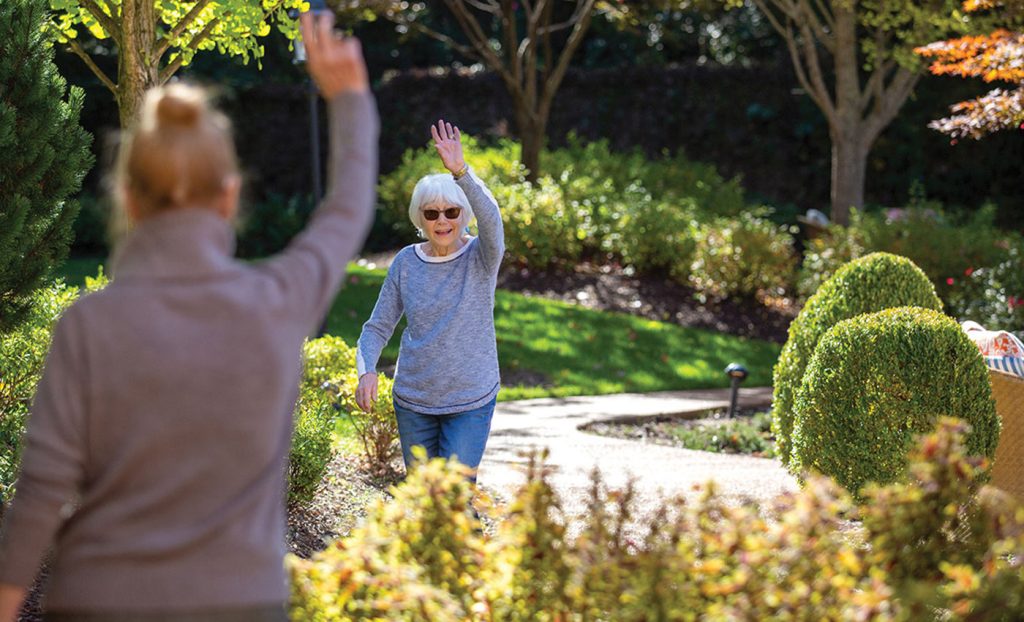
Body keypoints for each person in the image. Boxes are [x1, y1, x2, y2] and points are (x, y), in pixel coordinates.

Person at [0, 12, 376, 621]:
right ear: (228, 196)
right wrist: (351, 101)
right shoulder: (276, 300)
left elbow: (41, 490)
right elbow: (345, 213)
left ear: (126, 198)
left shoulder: (89, 325)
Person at [355, 121, 504, 482]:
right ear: (420, 217)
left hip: (470, 398)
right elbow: (377, 326)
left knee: (453, 495)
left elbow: (493, 220)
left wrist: (461, 173)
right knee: (424, 502)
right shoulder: (406, 262)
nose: (442, 220)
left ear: (463, 215)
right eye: (432, 213)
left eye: (451, 212)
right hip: (414, 402)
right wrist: (367, 370)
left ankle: (471, 541)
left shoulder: (481, 257)